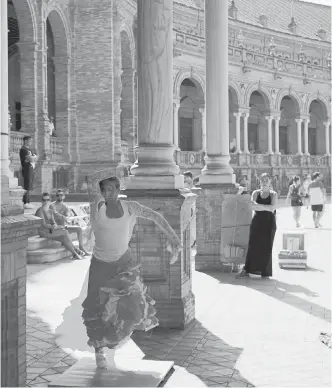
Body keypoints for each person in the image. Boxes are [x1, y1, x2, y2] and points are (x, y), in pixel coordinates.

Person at [83, 172, 182, 369]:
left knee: (130, 303)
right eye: (104, 189)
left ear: (119, 190)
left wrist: (175, 239)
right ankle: (98, 349)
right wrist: (109, 173)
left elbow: (156, 217)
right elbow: (91, 180)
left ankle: (115, 337)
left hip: (123, 263)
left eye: (111, 189)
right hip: (100, 265)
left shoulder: (130, 208)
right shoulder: (97, 207)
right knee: (97, 308)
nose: (107, 193)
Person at [236, 173, 277, 279]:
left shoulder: (273, 194)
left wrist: (258, 206)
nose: (264, 181)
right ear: (260, 181)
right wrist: (266, 207)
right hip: (257, 222)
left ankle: (264, 271)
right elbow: (252, 206)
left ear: (270, 181)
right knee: (253, 245)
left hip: (269, 223)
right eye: (262, 180)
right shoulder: (256, 192)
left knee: (267, 247)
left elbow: (272, 208)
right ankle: (247, 269)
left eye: (267, 179)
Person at [35, 193, 82, 260]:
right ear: (41, 201)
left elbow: (53, 222)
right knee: (65, 232)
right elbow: (43, 225)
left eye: (47, 200)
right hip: (43, 232)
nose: (46, 202)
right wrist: (54, 227)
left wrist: (54, 225)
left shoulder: (50, 211)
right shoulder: (40, 211)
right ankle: (76, 250)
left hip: (51, 231)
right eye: (44, 200)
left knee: (63, 238)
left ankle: (74, 254)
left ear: (50, 201)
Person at [50, 189, 90, 256]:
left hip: (63, 227)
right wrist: (63, 217)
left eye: (61, 195)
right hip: (55, 228)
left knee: (79, 229)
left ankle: (81, 247)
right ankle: (75, 250)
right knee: (65, 231)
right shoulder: (52, 205)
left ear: (64, 196)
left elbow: (67, 216)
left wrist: (65, 216)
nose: (59, 196)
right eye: (57, 195)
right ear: (55, 197)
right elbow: (55, 213)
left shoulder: (65, 206)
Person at [19, 136, 38, 209]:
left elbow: (36, 158)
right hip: (27, 168)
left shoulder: (29, 149)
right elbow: (31, 159)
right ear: (26, 141)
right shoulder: (23, 149)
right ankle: (25, 202)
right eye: (30, 140)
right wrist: (32, 158)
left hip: (31, 168)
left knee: (30, 186)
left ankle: (28, 202)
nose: (31, 142)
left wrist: (32, 158)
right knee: (27, 185)